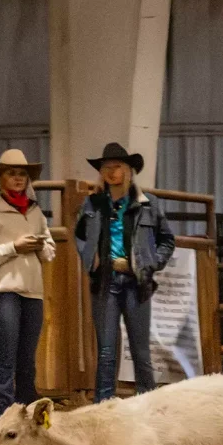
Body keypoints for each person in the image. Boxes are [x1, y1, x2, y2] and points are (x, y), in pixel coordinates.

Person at [75, 143, 176, 402]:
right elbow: (80, 236)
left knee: (140, 351)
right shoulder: (93, 203)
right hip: (105, 280)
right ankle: (104, 407)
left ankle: (150, 405)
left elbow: (167, 239)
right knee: (107, 351)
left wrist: (150, 263)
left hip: (136, 281)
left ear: (129, 170)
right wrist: (93, 262)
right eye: (106, 167)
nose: (110, 171)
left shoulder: (149, 204)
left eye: (116, 167)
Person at [0, 149, 55, 423]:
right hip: (3, 292)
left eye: (22, 174)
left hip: (32, 292)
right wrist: (14, 247)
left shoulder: (36, 213)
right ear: (1, 179)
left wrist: (42, 247)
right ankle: (3, 422)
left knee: (27, 362)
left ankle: (27, 424)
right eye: (12, 173)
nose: (18, 178)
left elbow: (50, 250)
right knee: (7, 360)